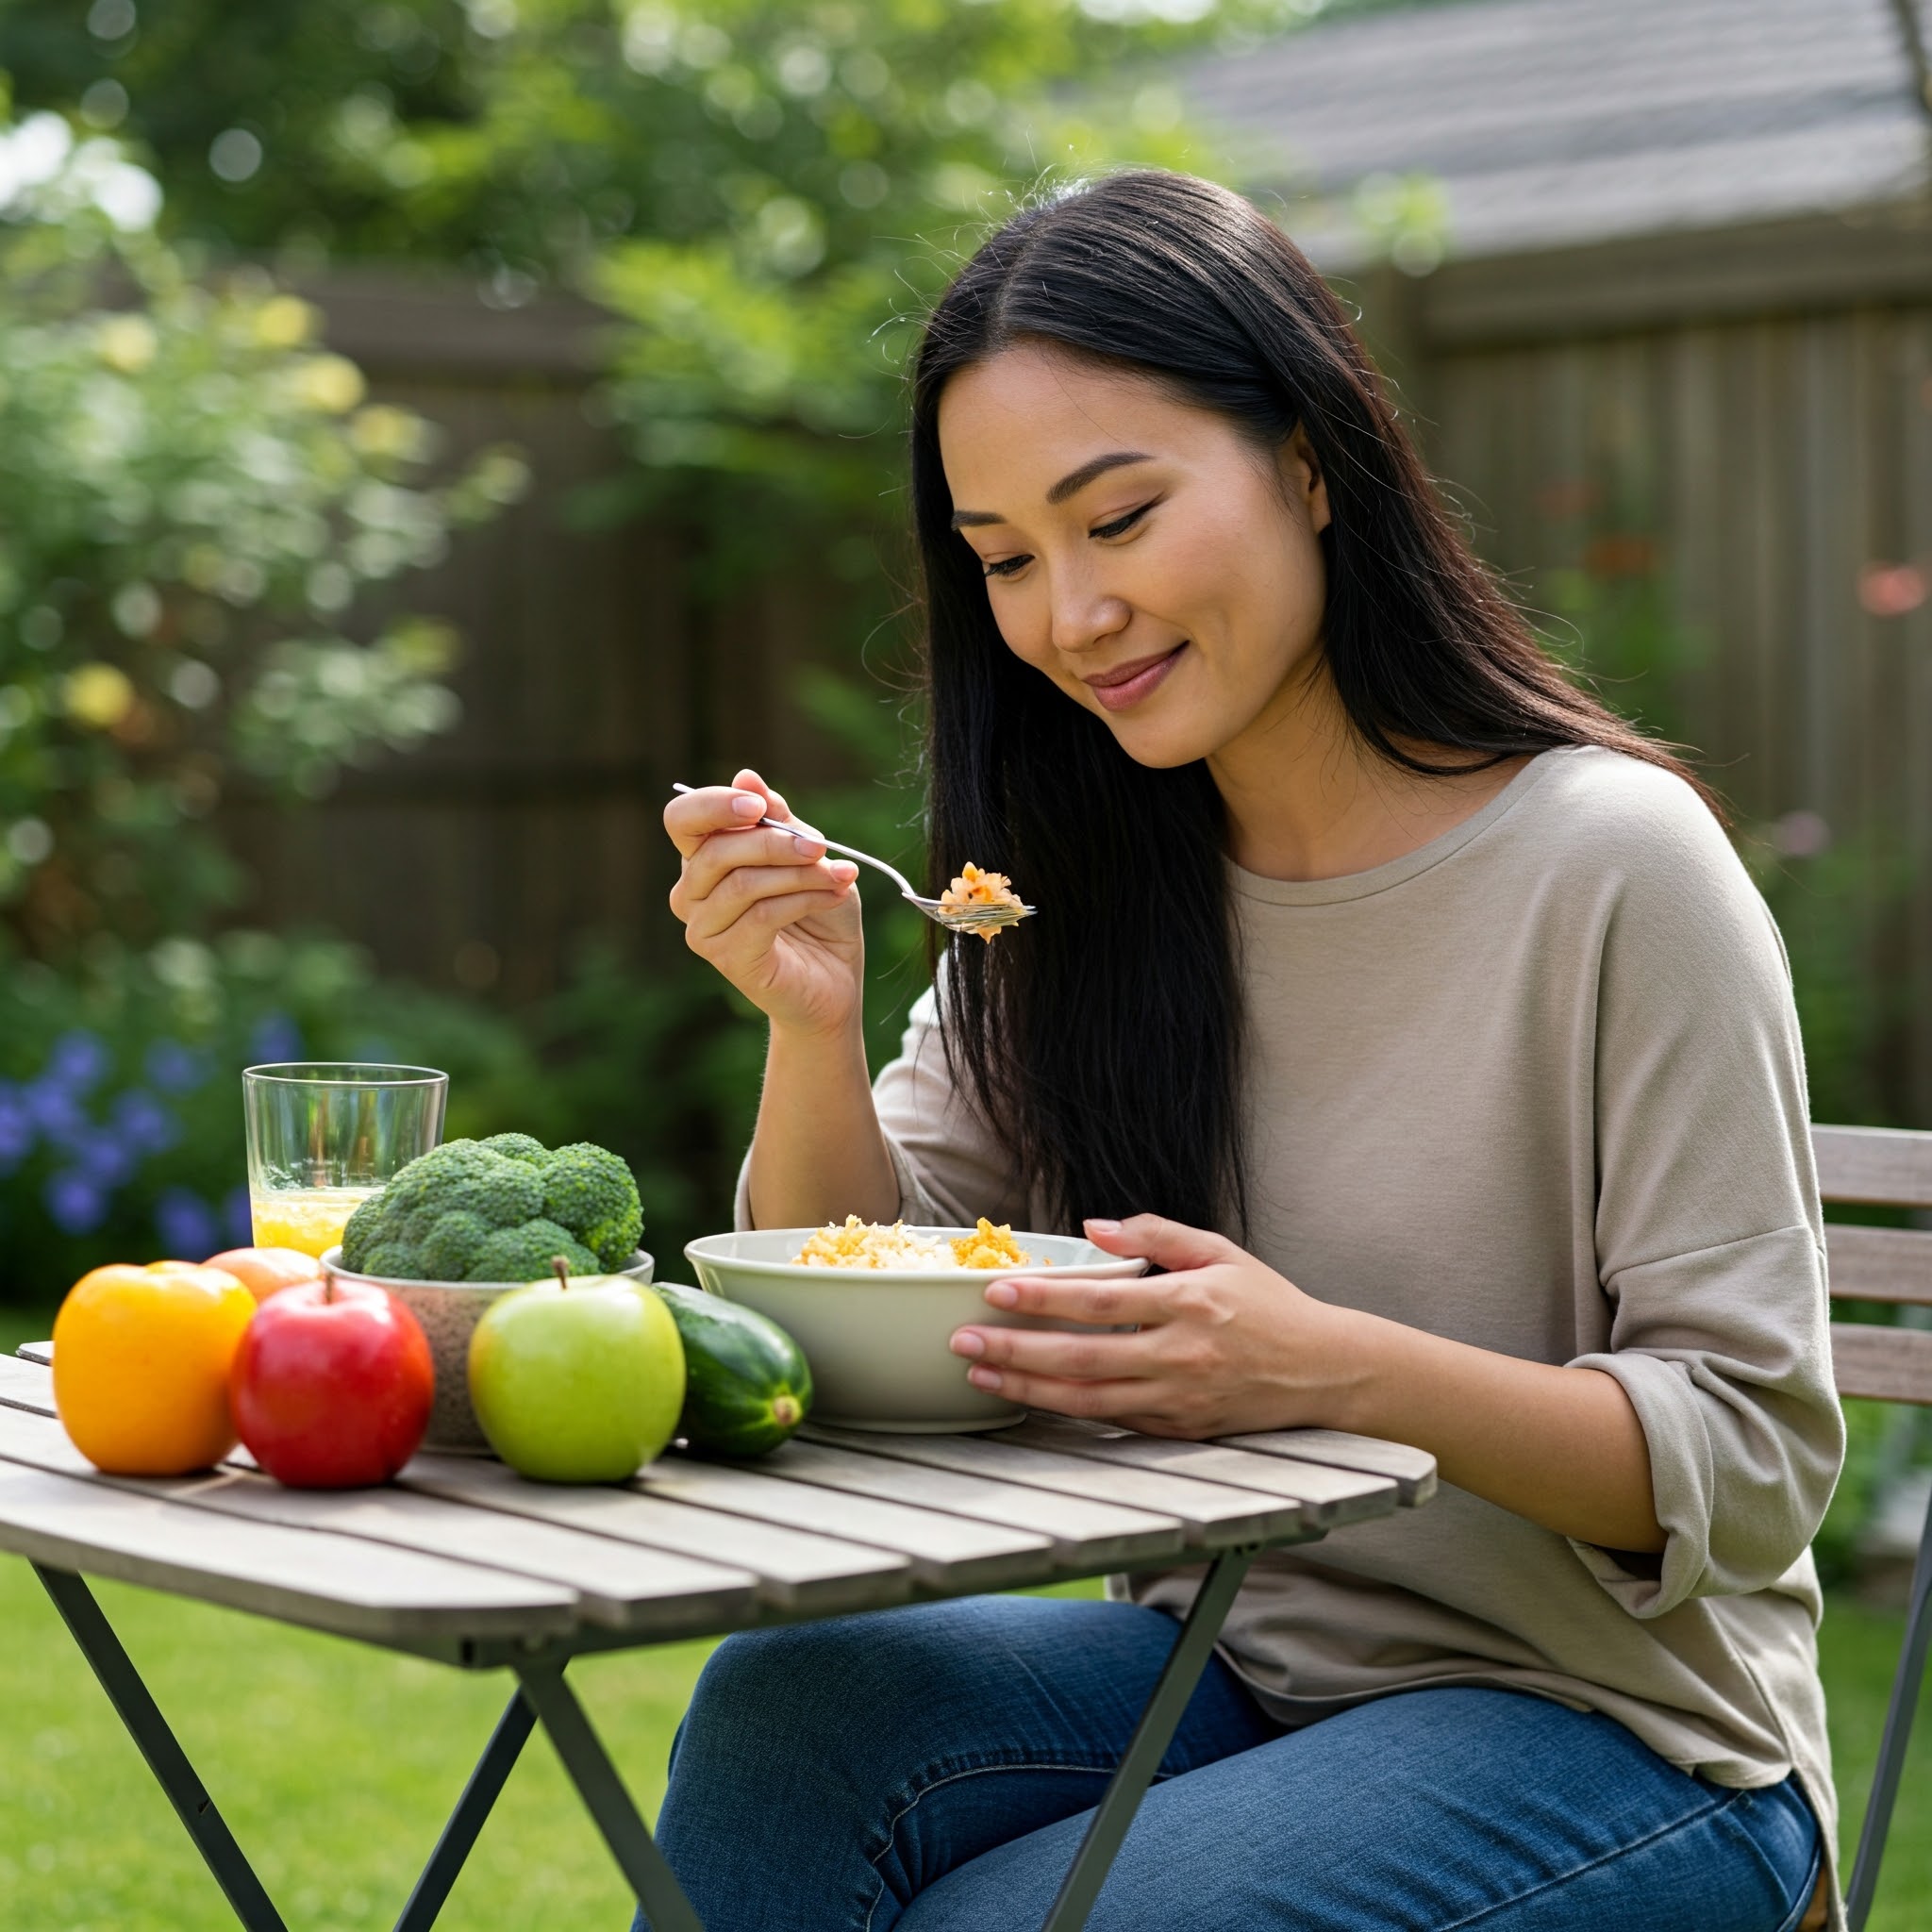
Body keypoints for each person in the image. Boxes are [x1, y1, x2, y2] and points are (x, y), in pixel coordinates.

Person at [655, 170, 1840, 1932]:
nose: (1068, 616)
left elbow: (1748, 1461)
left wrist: (1325, 1366)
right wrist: (810, 1032)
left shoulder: (1611, 865)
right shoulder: (1075, 891)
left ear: (1305, 459)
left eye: (1118, 519)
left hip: (1631, 1740)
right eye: (1004, 560)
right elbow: (860, 1314)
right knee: (794, 1718)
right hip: (1241, 1664)